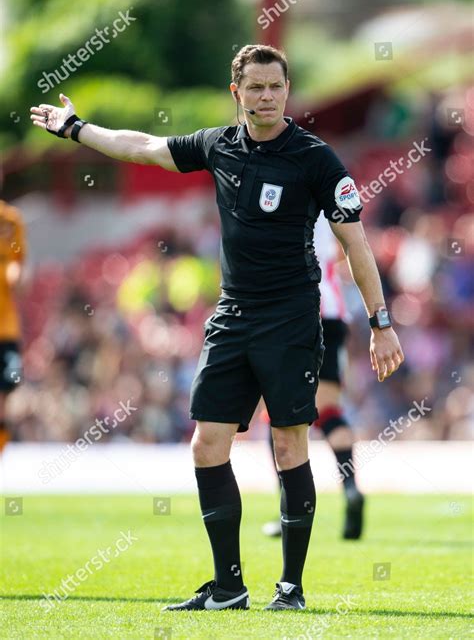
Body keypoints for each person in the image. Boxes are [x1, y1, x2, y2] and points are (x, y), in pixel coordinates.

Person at [30, 44, 404, 612]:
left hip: (291, 318)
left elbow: (356, 243)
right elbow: (146, 147)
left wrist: (381, 323)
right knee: (207, 444)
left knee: (288, 441)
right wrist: (77, 128)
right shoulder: (218, 146)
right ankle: (228, 586)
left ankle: (291, 588)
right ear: (238, 93)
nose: (267, 96)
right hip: (233, 315)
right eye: (255, 87)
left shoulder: (316, 159)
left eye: (276, 86)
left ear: (287, 88)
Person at [261, 215, 364, 541]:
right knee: (330, 411)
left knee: (277, 416)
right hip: (331, 311)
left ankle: (288, 508)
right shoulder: (326, 192)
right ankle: (350, 488)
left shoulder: (280, 191)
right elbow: (350, 247)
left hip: (292, 312)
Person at [0, 199, 26, 454]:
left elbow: (18, 264)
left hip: (6, 328)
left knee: (5, 396)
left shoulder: (11, 220)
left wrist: (16, 274)